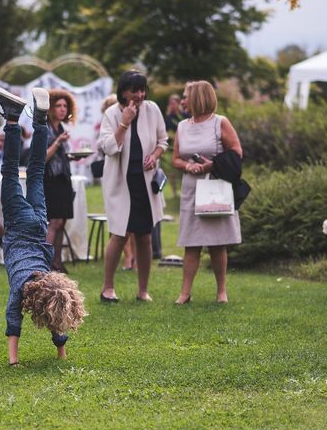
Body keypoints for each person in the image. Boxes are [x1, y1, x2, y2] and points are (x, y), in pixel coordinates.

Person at [0, 84, 86, 364]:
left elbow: (58, 316)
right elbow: (14, 322)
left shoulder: (50, 280)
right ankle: (13, 117)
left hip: (40, 224)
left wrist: (62, 351)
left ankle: (40, 121)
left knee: (36, 171)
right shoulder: (21, 289)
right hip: (18, 225)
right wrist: (13, 361)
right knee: (9, 171)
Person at [98, 70, 168, 302]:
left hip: (145, 184)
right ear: (123, 91)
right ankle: (108, 288)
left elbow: (162, 141)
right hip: (121, 183)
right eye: (134, 90)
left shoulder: (152, 109)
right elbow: (108, 147)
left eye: (142, 90)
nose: (139, 95)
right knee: (119, 235)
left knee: (145, 236)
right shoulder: (111, 113)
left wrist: (155, 155)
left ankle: (143, 290)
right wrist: (124, 122)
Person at [172, 81, 242, 304]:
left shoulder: (219, 122)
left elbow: (237, 152)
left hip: (213, 187)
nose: (182, 101)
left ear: (198, 97)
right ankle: (185, 293)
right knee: (191, 243)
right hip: (191, 189)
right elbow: (175, 158)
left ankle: (221, 291)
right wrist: (187, 166)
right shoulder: (182, 126)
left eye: (185, 96)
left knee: (216, 243)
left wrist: (210, 165)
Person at [43, 89, 77, 273]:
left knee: (62, 222)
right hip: (51, 180)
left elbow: (60, 157)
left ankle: (57, 262)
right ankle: (46, 263)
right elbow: (42, 158)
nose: (63, 109)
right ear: (49, 108)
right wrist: (57, 143)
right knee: (53, 223)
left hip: (63, 179)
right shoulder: (43, 129)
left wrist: (72, 157)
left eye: (65, 106)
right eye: (58, 105)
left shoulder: (60, 128)